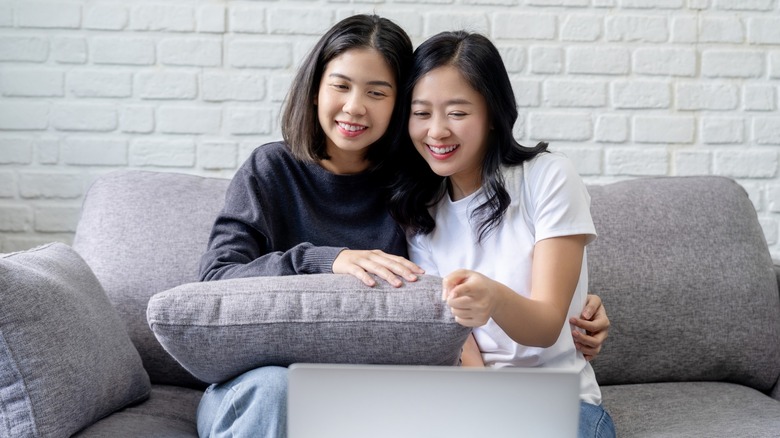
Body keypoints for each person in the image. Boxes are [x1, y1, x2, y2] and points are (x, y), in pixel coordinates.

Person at [197, 15, 610, 438]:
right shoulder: (272, 170)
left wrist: (570, 303)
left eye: (377, 92)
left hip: (374, 396)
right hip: (263, 383)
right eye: (341, 85)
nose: (355, 106)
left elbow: (445, 311)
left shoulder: (407, 194)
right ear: (315, 88)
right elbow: (213, 280)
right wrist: (329, 261)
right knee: (274, 390)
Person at [387, 31, 616, 437]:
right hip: (475, 402)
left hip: (559, 403)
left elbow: (547, 327)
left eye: (457, 113)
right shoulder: (421, 213)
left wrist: (492, 297)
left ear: (492, 114)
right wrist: (486, 413)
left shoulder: (547, 177)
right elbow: (458, 343)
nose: (436, 131)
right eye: (421, 113)